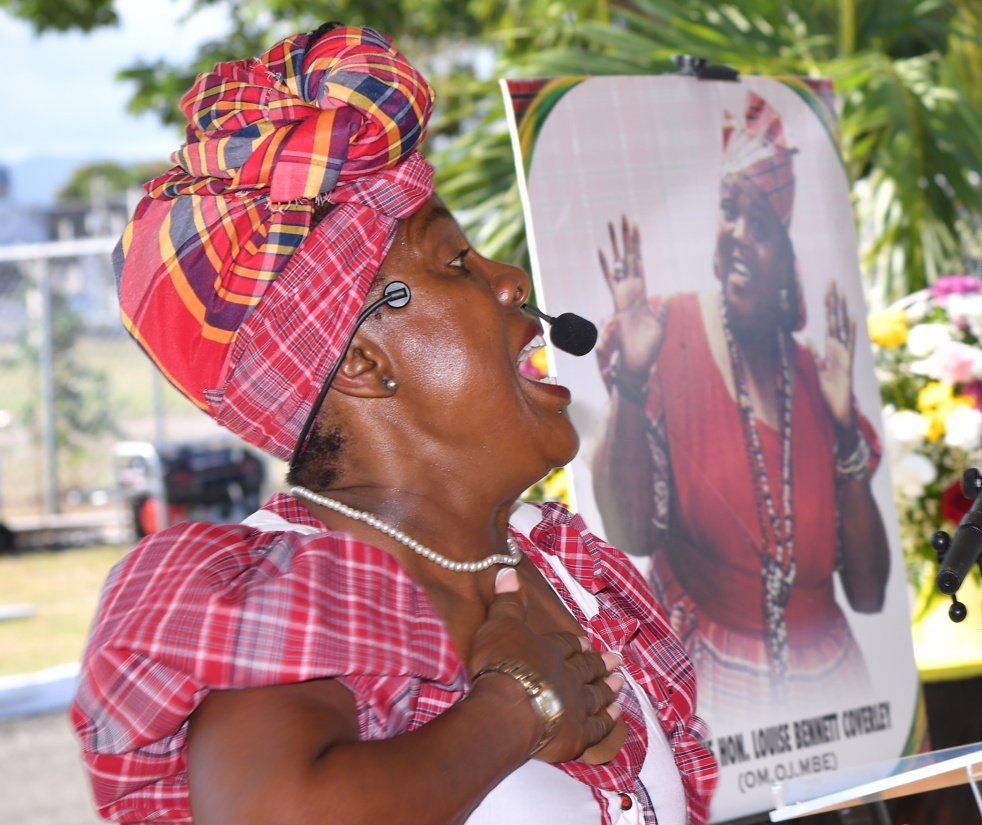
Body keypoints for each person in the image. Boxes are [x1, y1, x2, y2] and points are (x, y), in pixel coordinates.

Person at [71, 24, 716, 825]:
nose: (512, 281)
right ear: (361, 365)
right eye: (455, 262)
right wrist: (516, 711)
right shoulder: (295, 595)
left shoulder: (567, 568)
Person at [591, 91, 890, 716]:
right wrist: (634, 380)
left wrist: (844, 434)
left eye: (761, 227)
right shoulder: (664, 331)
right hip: (701, 675)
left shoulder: (815, 374)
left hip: (829, 685)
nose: (737, 236)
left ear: (789, 262)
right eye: (730, 213)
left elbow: (867, 594)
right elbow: (630, 532)